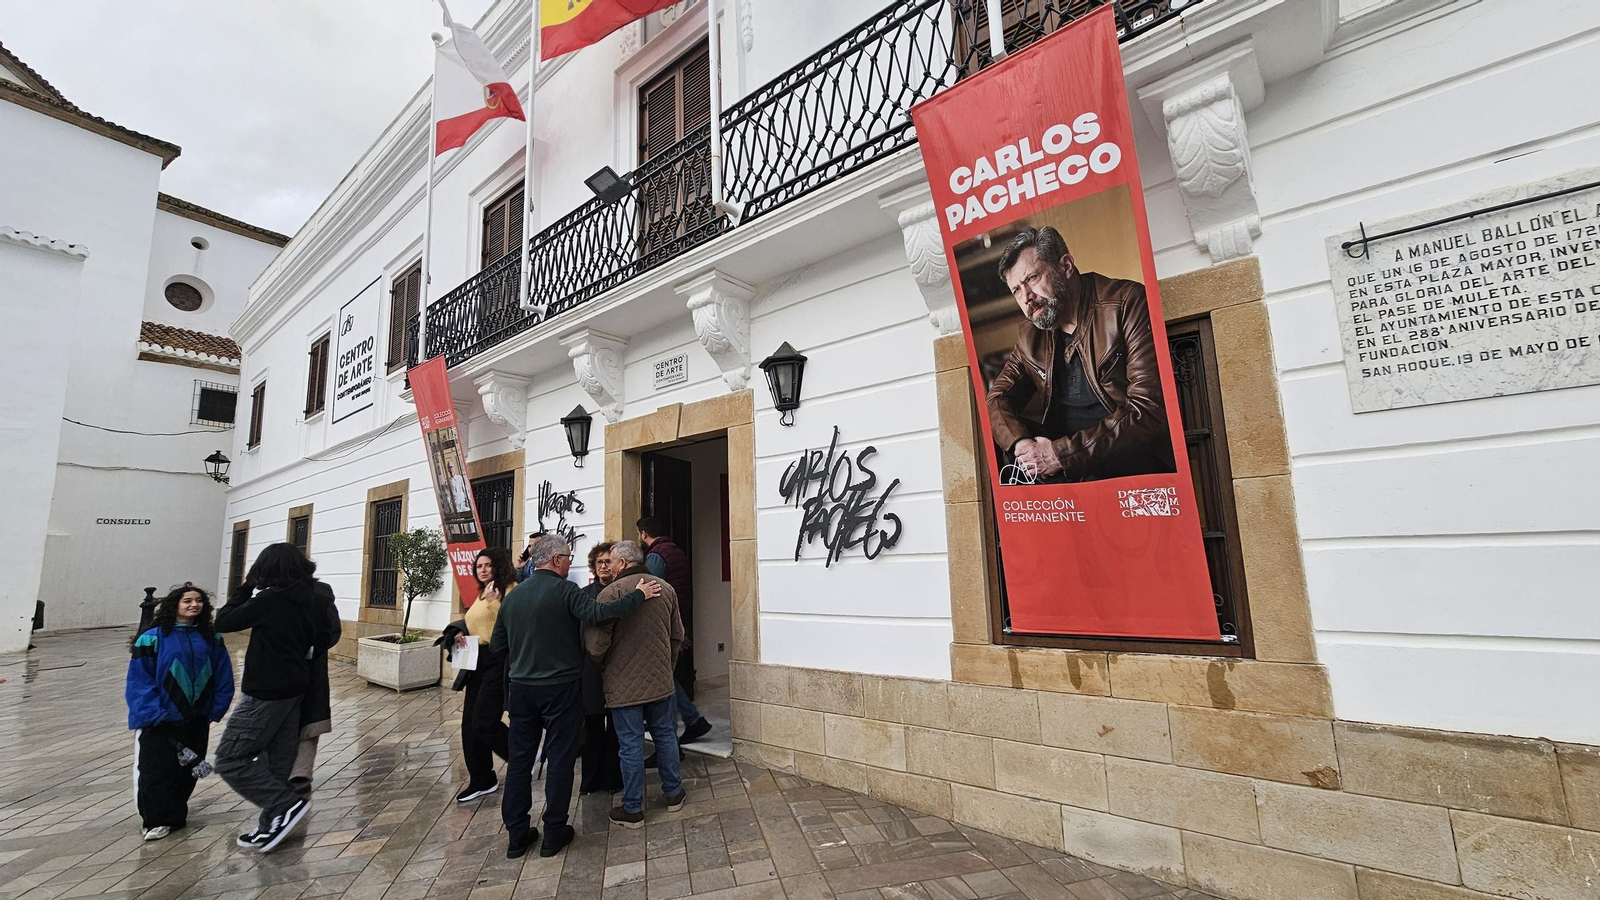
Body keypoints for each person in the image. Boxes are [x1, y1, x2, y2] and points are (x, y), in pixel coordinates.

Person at [492, 535, 660, 859]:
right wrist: (638, 595)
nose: (571, 562)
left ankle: (517, 835)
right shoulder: (565, 590)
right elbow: (600, 613)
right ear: (555, 560)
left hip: (522, 690)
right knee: (560, 759)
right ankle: (554, 832)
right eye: (568, 557)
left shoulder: (513, 597)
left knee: (520, 761)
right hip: (560, 689)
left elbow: (499, 645)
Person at [987, 225, 1175, 485]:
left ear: (1065, 266)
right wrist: (1024, 445)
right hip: (1066, 465)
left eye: (1031, 278)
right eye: (1016, 290)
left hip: (1126, 454)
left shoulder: (1125, 303)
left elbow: (1148, 410)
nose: (1027, 297)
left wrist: (1060, 454)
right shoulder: (1030, 335)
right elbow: (997, 398)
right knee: (1009, 455)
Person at [214, 543, 335, 853]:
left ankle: (285, 805)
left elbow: (224, 621)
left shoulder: (270, 600)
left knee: (230, 759)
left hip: (265, 691)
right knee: (278, 764)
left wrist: (247, 586)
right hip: (296, 689)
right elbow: (326, 636)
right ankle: (271, 825)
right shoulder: (316, 597)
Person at [585, 541, 686, 828]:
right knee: (666, 736)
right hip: (660, 680)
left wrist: (605, 662)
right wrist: (667, 666)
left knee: (630, 744)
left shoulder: (610, 593)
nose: (611, 567)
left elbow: (595, 644)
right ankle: (674, 794)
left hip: (622, 683)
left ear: (623, 564)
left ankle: (632, 808)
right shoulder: (665, 589)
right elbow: (677, 635)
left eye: (613, 562)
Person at [126, 583, 234, 841]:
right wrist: (154, 713)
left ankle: (175, 815)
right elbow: (139, 680)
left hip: (196, 718)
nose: (193, 605)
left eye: (198, 601)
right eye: (187, 600)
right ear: (175, 604)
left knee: (187, 772)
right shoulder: (152, 638)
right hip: (161, 720)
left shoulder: (212, 638)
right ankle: (154, 819)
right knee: (156, 771)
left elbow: (223, 676)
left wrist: (216, 709)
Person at [438, 548, 515, 803]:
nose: (482, 570)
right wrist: (460, 633)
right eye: (479, 566)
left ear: (499, 566)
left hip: (498, 659)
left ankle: (521, 754)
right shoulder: (481, 592)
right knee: (470, 726)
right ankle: (482, 779)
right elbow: (476, 623)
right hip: (476, 660)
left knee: (484, 720)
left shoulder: (510, 589)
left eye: (488, 565)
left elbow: (509, 624)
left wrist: (495, 602)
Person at [637, 517, 712, 746]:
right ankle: (691, 720)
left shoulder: (656, 556)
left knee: (663, 678)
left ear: (643, 534)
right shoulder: (675, 551)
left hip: (664, 624)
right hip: (678, 619)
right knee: (667, 675)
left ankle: (669, 736)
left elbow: (654, 592)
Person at [290, 572, 341, 799]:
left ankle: (300, 773)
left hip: (309, 668)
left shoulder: (321, 593)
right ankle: (291, 770)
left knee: (308, 718)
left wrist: (311, 649)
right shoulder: (271, 596)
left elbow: (332, 631)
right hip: (282, 671)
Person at [578, 541, 622, 795]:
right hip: (591, 671)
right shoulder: (584, 594)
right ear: (593, 567)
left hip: (617, 671)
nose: (604, 566)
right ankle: (591, 780)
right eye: (600, 562)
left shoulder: (622, 593)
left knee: (616, 729)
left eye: (608, 561)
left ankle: (613, 779)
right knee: (593, 728)